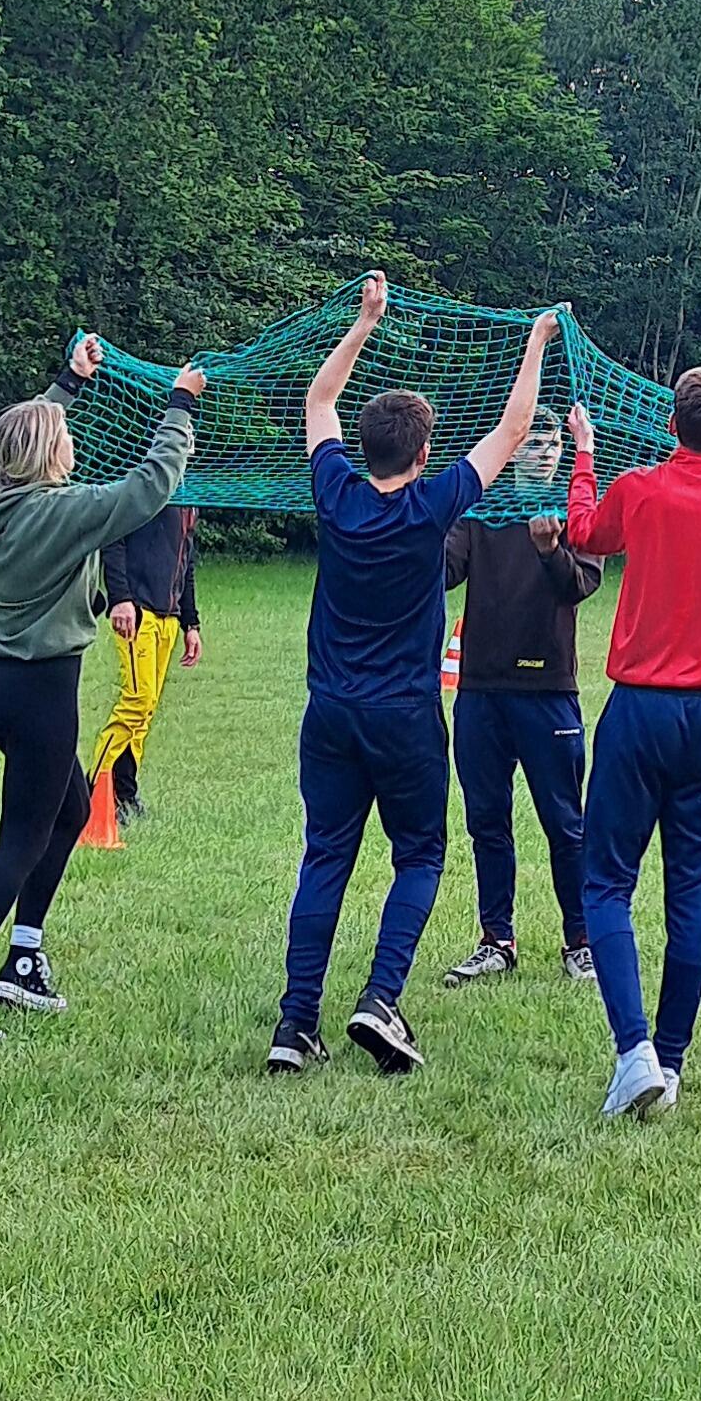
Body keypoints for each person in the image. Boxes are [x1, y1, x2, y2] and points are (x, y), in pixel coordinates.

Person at [266, 278, 564, 1079]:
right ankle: (379, 999)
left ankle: (296, 1025)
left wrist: (365, 324)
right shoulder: (434, 507)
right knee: (421, 854)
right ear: (424, 454)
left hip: (328, 711)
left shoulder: (335, 494)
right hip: (402, 716)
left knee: (324, 855)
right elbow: (512, 428)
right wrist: (534, 342)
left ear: (363, 452)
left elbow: (319, 399)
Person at [0, 333, 202, 1042]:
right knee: (20, 842)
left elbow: (22, 434)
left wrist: (68, 384)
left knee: (70, 813)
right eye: (64, 436)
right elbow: (150, 487)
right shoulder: (63, 512)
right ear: (49, 456)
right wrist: (179, 408)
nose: (71, 444)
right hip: (40, 695)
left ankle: (24, 960)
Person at [563, 364, 701, 1123]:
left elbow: (585, 532)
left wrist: (584, 455)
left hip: (642, 709)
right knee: (693, 898)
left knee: (607, 884)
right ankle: (672, 1062)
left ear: (669, 423)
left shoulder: (639, 488)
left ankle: (634, 1055)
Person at [440, 421, 603, 988]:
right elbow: (443, 570)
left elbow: (581, 583)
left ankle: (580, 942)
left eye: (556, 445)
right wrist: (420, 520)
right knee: (487, 822)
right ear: (511, 453)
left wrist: (551, 549)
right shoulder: (481, 507)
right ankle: (496, 940)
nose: (547, 454)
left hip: (549, 693)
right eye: (535, 444)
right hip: (482, 692)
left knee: (566, 823)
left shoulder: (575, 508)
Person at [90, 482, 200, 826]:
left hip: (167, 618)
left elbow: (187, 561)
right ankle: (92, 791)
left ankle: (124, 792)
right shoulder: (146, 487)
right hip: (138, 612)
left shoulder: (190, 497)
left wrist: (190, 622)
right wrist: (121, 598)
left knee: (146, 710)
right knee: (136, 700)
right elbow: (113, 541)